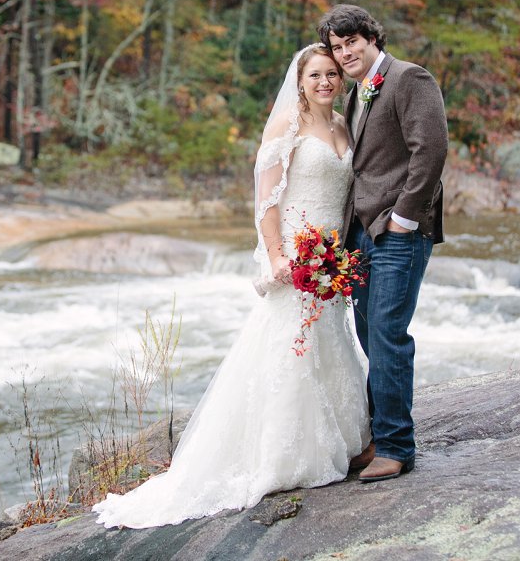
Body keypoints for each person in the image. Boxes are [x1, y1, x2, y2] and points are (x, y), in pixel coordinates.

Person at [92, 44, 370, 529]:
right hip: (296, 250)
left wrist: (337, 254)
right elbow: (266, 200)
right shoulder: (286, 125)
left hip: (331, 255)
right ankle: (283, 454)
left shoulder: (344, 125)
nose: (325, 82)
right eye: (315, 75)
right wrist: (279, 255)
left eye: (331, 74)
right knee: (288, 345)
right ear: (300, 82)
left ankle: (343, 441)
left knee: (330, 339)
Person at [317, 4, 448, 482]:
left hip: (398, 233)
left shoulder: (410, 79)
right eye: (337, 46)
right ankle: (377, 439)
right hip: (360, 235)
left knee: (389, 335)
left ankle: (397, 447)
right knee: (373, 337)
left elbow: (430, 151)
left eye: (351, 41)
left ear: (372, 39)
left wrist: (405, 219)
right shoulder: (356, 95)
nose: (345, 52)